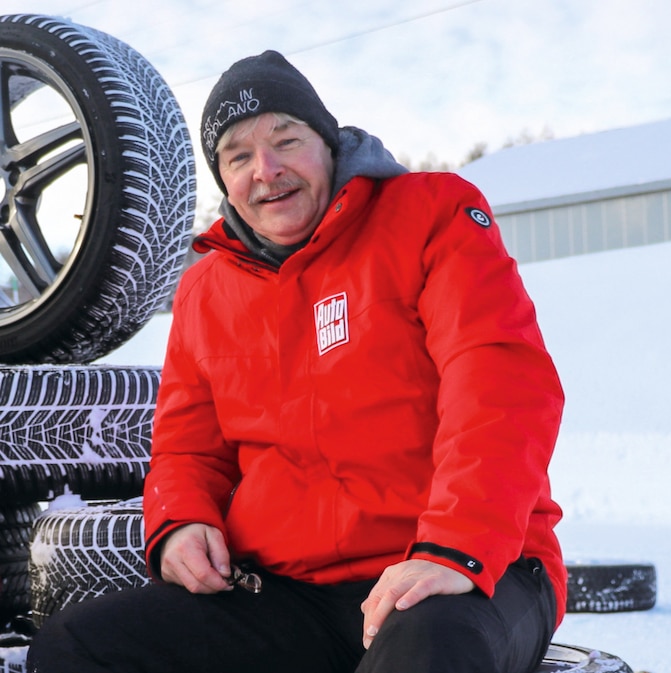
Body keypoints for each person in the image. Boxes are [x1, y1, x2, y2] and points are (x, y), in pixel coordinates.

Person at [27, 50, 566, 673]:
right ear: (224, 179)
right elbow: (187, 448)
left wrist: (454, 550)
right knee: (78, 646)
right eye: (238, 157)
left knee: (425, 655)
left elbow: (499, 383)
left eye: (287, 140)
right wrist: (180, 523)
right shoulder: (205, 289)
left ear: (328, 144)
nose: (267, 170)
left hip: (459, 571)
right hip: (290, 591)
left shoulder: (429, 212)